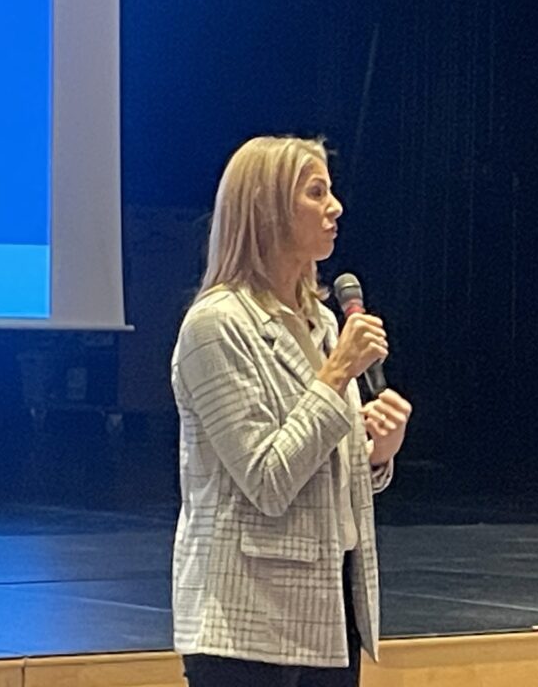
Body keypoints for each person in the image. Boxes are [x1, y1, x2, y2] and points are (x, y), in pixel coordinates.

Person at [170, 136, 412, 686]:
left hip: (328, 614)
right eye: (316, 192)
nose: (336, 207)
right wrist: (335, 376)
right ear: (268, 208)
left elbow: (319, 468)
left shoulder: (323, 322)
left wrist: (376, 455)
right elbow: (267, 479)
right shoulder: (216, 325)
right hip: (247, 622)